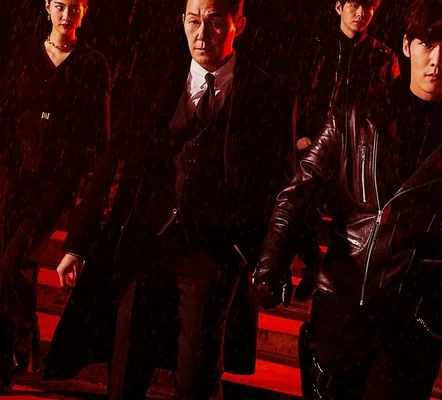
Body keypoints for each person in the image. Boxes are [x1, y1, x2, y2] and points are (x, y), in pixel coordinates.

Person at [253, 0, 442, 398]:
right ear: (406, 46)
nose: (437, 59)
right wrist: (272, 259)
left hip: (412, 322)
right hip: (343, 304)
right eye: (427, 44)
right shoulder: (356, 114)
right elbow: (300, 191)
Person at [42, 0, 293, 398]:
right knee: (126, 369)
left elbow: (279, 183)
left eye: (214, 22)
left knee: (196, 376)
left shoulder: (267, 93)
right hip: (145, 241)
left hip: (211, 252)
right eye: (193, 21)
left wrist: (260, 256)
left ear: (239, 24)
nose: (201, 34)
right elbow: (113, 159)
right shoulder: (156, 78)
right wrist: (78, 241)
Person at [0, 0, 110, 389]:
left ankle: (18, 346)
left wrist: (80, 187)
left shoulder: (92, 65)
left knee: (11, 263)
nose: (67, 15)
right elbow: (7, 114)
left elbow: (98, 136)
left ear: (85, 11)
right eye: (60, 6)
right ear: (47, 7)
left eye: (75, 8)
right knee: (13, 266)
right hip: (13, 179)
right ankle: (17, 349)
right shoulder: (25, 55)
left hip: (54, 186)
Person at [291, 0, 400, 301]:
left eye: (368, 7)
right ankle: (313, 261)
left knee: (347, 218)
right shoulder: (318, 49)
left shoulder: (382, 56)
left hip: (358, 149)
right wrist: (301, 136)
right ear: (339, 7)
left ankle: (329, 279)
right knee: (300, 206)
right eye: (354, 5)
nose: (361, 14)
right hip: (317, 143)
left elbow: (388, 106)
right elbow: (301, 93)